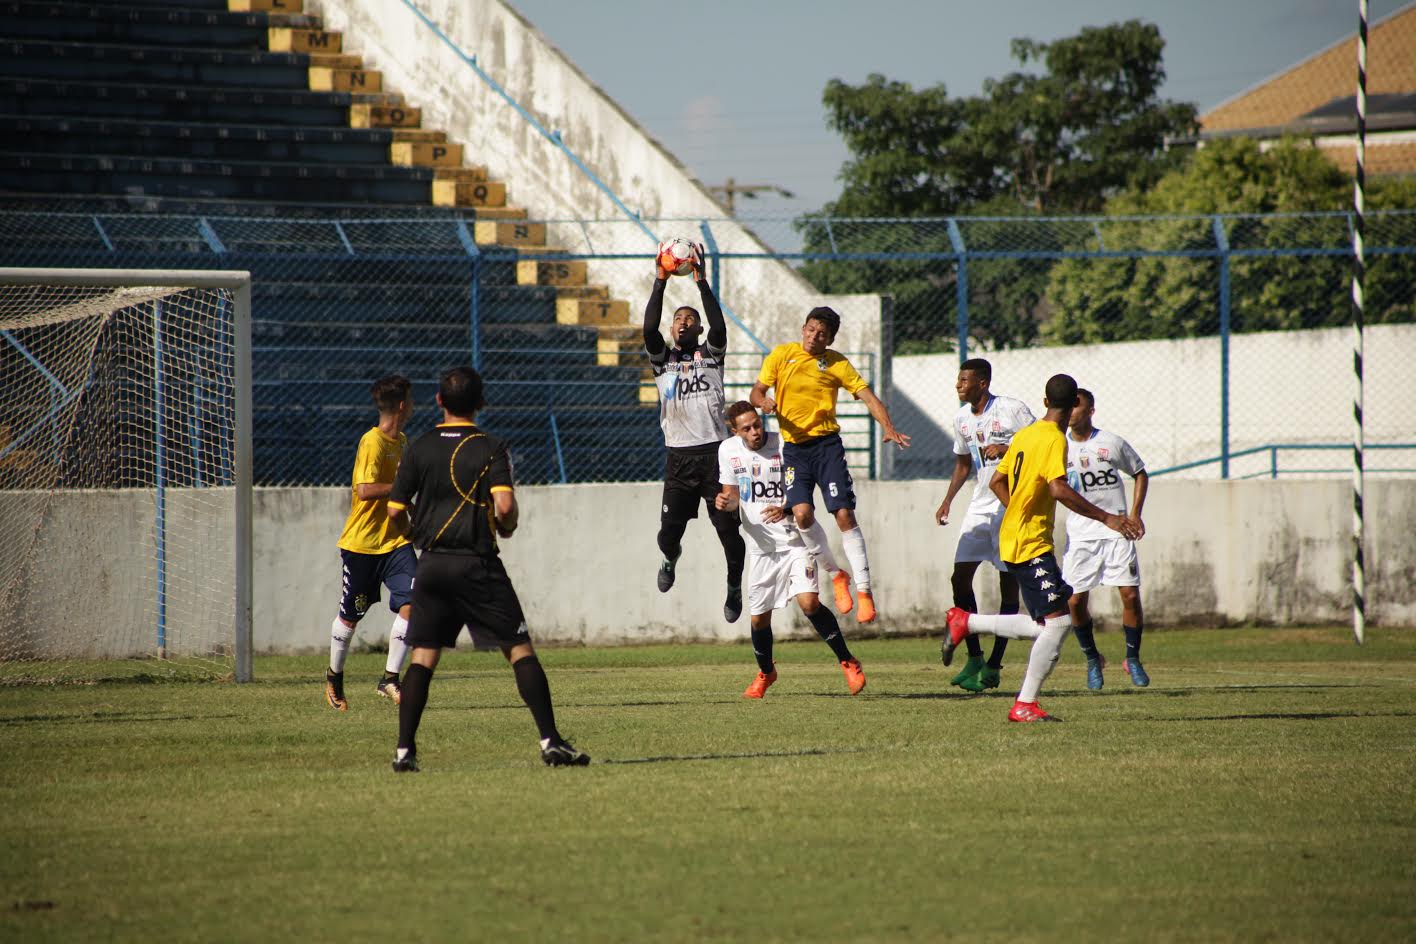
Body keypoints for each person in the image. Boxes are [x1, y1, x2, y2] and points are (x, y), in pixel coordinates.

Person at [385, 367, 588, 771]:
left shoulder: (419, 446)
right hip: (476, 565)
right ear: (481, 403)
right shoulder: (490, 446)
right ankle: (550, 741)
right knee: (518, 649)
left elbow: (394, 511)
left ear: (439, 401)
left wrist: (415, 533)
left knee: (423, 656)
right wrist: (507, 527)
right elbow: (506, 507)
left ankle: (404, 751)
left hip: (432, 565)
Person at [940, 374, 1141, 723]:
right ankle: (1023, 702)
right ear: (1073, 405)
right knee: (1060, 623)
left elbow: (998, 479)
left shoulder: (1026, 435)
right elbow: (1059, 489)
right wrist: (1106, 517)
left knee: (1047, 624)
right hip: (1029, 541)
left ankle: (967, 622)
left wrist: (1017, 508)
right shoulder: (1052, 439)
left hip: (1016, 535)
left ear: (1046, 402)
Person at [749, 306, 910, 624]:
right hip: (794, 450)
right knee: (801, 514)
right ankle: (837, 575)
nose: (813, 336)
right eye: (810, 329)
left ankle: (864, 590)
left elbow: (868, 396)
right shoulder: (782, 355)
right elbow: (756, 391)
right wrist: (763, 401)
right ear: (802, 328)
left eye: (821, 333)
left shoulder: (836, 363)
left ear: (831, 338)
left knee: (843, 513)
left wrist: (888, 427)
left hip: (826, 448)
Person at [715, 402, 867, 698]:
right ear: (735, 431)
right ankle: (766, 673)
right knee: (759, 619)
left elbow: (803, 488)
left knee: (809, 604)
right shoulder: (728, 450)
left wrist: (785, 507)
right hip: (761, 548)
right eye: (746, 428)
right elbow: (733, 497)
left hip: (795, 540)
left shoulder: (784, 443)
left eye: (757, 424)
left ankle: (848, 661)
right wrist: (725, 503)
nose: (755, 432)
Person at [644, 241, 747, 622]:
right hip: (679, 459)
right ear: (672, 329)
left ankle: (734, 586)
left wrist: (702, 282)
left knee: (729, 536)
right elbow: (647, 327)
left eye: (690, 319)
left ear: (699, 328)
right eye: (678, 319)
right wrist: (660, 281)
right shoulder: (662, 360)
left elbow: (720, 326)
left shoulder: (712, 355)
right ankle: (671, 559)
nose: (684, 322)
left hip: (718, 458)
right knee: (667, 535)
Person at [933, 358, 1033, 693]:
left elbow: (1040, 444)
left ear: (983, 382)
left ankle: (994, 665)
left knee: (1009, 585)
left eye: (964, 380)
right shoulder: (961, 419)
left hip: (1010, 503)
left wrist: (1008, 447)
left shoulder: (1012, 410)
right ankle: (974, 657)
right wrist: (948, 499)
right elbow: (963, 463)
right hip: (980, 504)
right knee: (960, 577)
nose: (958, 385)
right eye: (957, 379)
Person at [325, 375, 417, 711]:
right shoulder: (372, 442)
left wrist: (412, 515)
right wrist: (403, 487)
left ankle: (389, 679)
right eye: (412, 399)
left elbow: (399, 494)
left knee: (414, 602)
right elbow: (365, 490)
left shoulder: (403, 441)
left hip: (395, 542)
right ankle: (334, 676)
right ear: (403, 405)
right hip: (362, 545)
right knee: (351, 617)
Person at [1062, 388, 1150, 689]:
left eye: (1078, 406)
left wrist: (1135, 514)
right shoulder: (1059, 447)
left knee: (1129, 594)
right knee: (1074, 601)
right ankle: (1091, 659)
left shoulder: (1110, 443)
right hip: (1081, 535)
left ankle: (1133, 657)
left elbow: (1140, 472)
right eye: (1069, 406)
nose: (1072, 411)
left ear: (1090, 411)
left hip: (1117, 530)